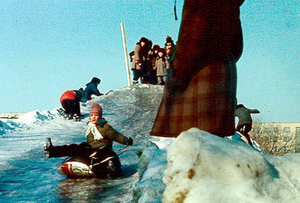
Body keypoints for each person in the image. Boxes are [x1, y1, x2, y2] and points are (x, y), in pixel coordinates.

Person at [150, 0, 245, 138]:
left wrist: (178, 72)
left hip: (198, 74)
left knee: (194, 145)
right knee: (213, 143)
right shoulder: (230, 4)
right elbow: (237, 46)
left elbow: (192, 36)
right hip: (222, 69)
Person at [44, 103, 133, 178]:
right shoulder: (89, 127)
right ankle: (51, 151)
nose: (93, 117)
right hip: (91, 148)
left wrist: (126, 140)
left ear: (100, 116)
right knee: (75, 147)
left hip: (103, 148)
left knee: (107, 154)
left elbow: (116, 135)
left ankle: (110, 167)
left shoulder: (105, 127)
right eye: (91, 115)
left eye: (96, 115)